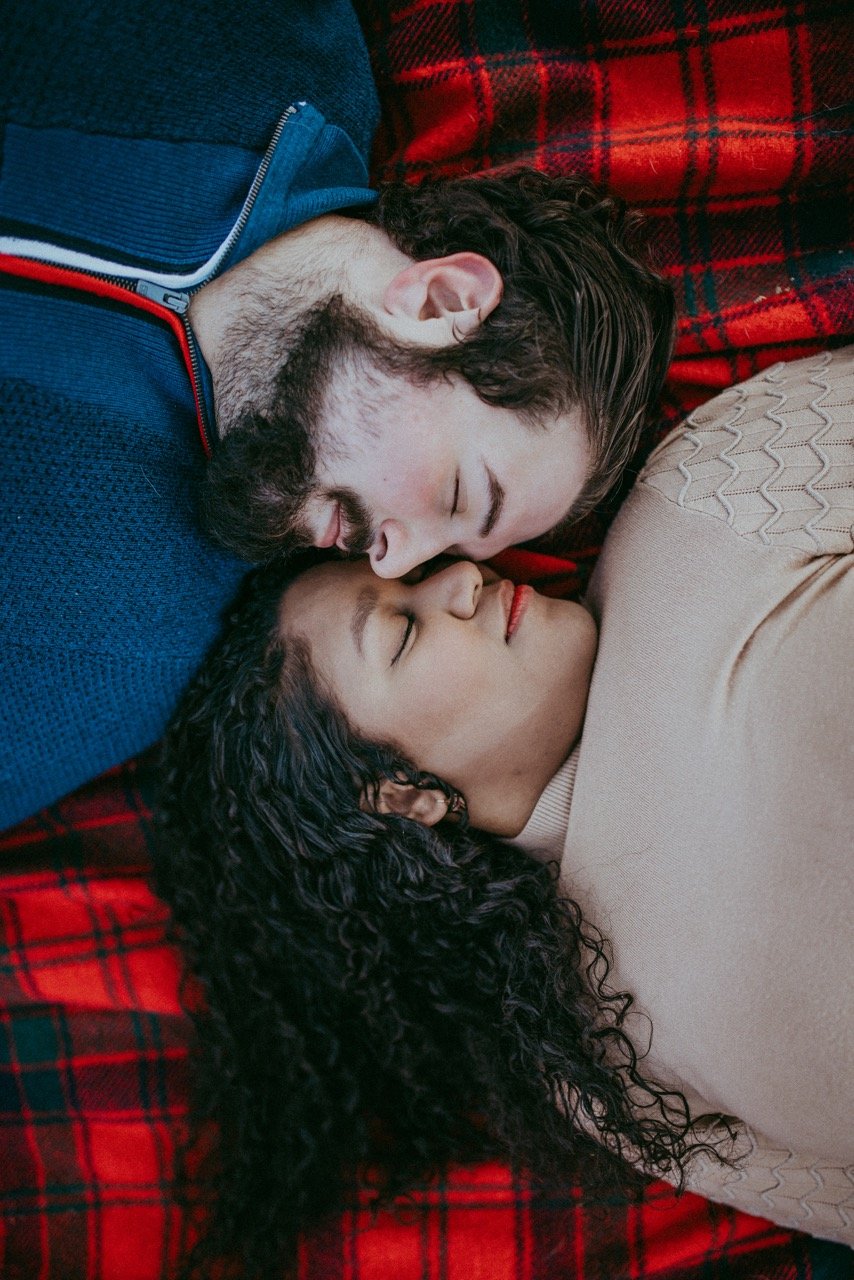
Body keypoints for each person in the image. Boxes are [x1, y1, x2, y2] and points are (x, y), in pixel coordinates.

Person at [156, 346, 854, 1276]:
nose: (460, 579)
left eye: (418, 571)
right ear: (400, 796)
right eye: (402, 628)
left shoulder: (704, 501)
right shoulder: (597, 1070)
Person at [0, 1, 674, 831]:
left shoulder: (117, 646)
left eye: (450, 553)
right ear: (440, 302)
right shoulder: (260, 44)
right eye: (459, 498)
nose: (395, 562)